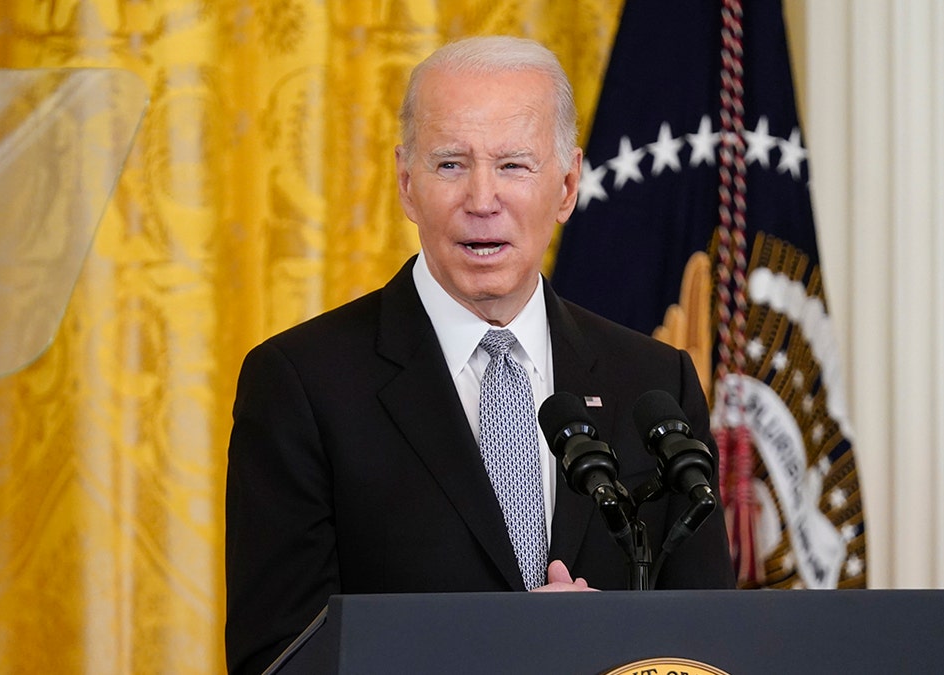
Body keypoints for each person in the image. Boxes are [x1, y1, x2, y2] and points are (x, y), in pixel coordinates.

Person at [224, 35, 734, 675]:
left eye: (514, 166)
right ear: (407, 185)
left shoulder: (655, 383)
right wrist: (509, 650)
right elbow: (275, 661)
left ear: (569, 185)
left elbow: (710, 647)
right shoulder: (301, 384)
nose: (482, 199)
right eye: (450, 165)